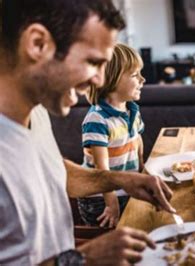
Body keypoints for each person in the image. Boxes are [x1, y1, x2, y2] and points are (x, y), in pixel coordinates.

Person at [0, 0, 175, 265]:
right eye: (93, 61)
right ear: (37, 44)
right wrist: (84, 258)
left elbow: (53, 172)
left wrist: (120, 179)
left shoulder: (35, 110)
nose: (100, 80)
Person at [78, 43, 146, 228]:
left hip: (125, 189)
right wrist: (112, 203)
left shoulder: (131, 109)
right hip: (101, 199)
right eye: (134, 75)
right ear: (111, 79)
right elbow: (102, 169)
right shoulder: (97, 119)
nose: (143, 79)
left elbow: (136, 139)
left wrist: (141, 168)